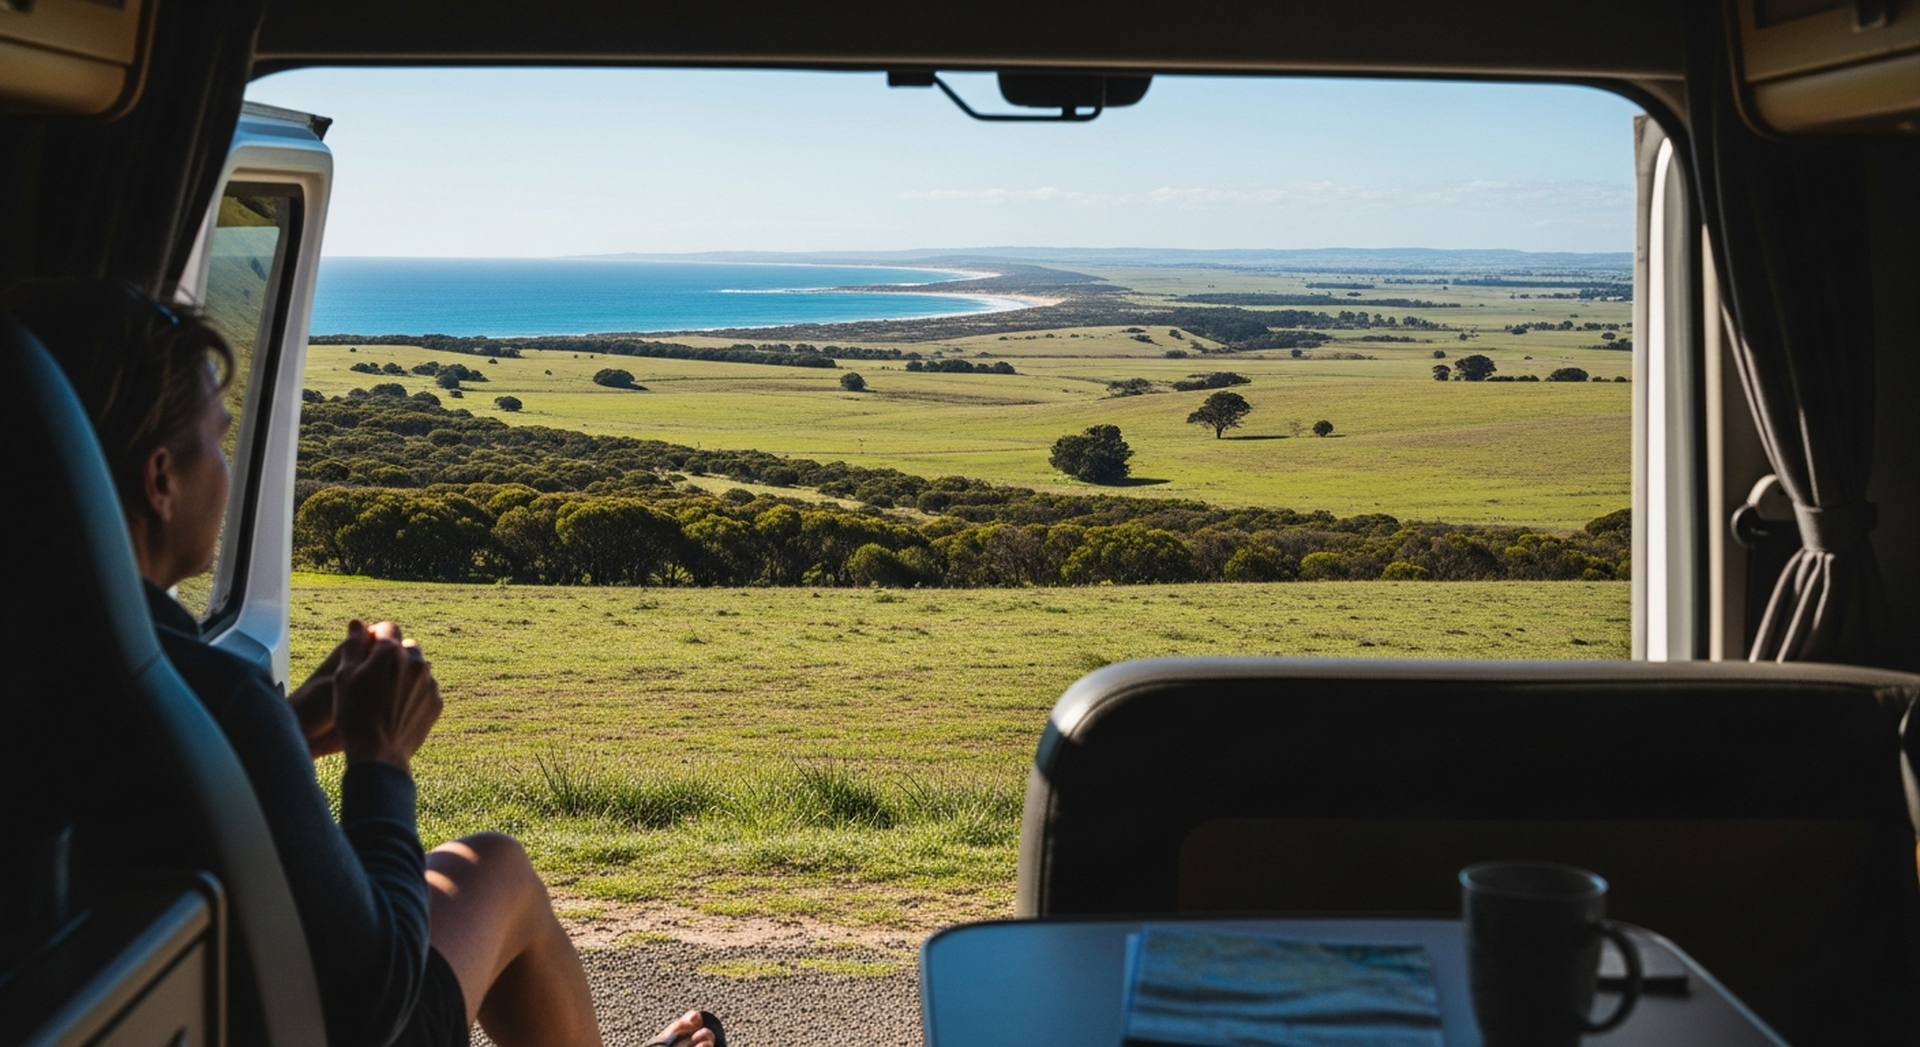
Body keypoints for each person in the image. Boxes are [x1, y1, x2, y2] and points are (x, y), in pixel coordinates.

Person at [6, 280, 716, 1047]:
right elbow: (378, 1000)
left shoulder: (49, 662)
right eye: (217, 438)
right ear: (160, 480)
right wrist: (383, 759)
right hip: (332, 1022)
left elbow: (156, 795)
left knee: (482, 867)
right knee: (499, 870)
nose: (225, 463)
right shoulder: (198, 691)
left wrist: (291, 727)